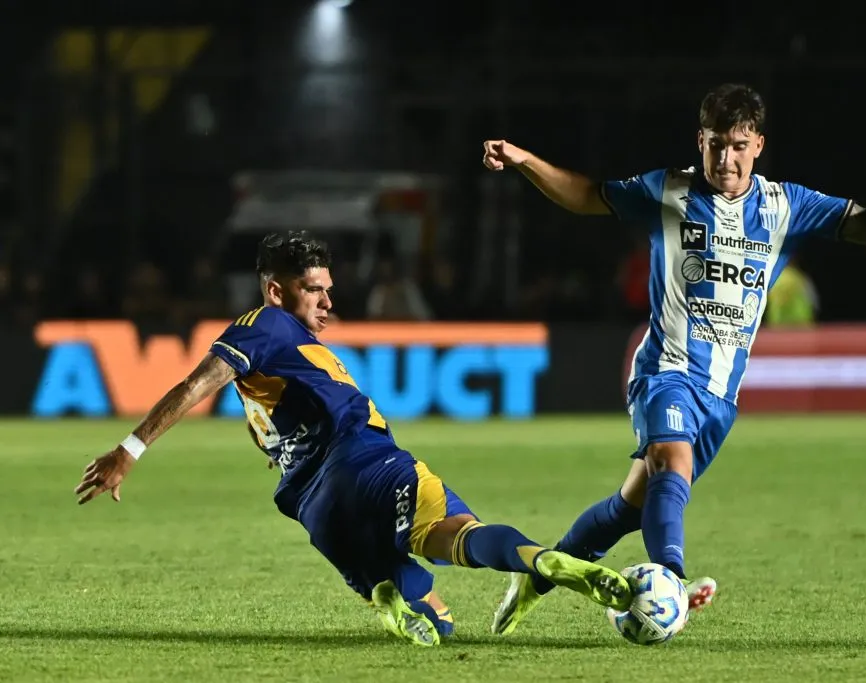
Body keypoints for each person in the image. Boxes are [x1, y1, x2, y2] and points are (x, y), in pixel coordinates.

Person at [481, 82, 866, 635]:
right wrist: (525, 159)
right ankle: (670, 580)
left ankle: (536, 576)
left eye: (738, 146)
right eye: (716, 144)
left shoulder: (784, 206)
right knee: (669, 465)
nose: (725, 158)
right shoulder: (667, 193)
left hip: (720, 395)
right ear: (699, 141)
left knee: (630, 506)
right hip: (665, 371)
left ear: (758, 146)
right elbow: (587, 195)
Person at [73, 231, 631, 647]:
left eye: (327, 289)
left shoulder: (285, 349)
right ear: (275, 290)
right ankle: (545, 562)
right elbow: (198, 381)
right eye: (312, 290)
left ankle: (384, 593)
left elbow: (268, 415)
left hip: (315, 506)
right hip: (367, 460)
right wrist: (130, 449)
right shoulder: (264, 325)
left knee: (439, 620)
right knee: (459, 533)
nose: (326, 301)